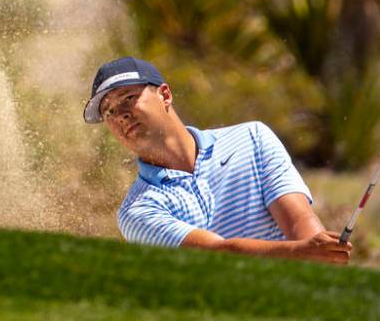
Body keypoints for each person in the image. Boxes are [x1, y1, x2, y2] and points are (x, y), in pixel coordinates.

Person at [84, 56, 351, 264]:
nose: (120, 115)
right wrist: (302, 253)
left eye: (128, 98)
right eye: (109, 112)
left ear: (165, 95)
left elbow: (298, 220)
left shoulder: (253, 138)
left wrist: (321, 254)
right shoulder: (136, 212)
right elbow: (217, 254)